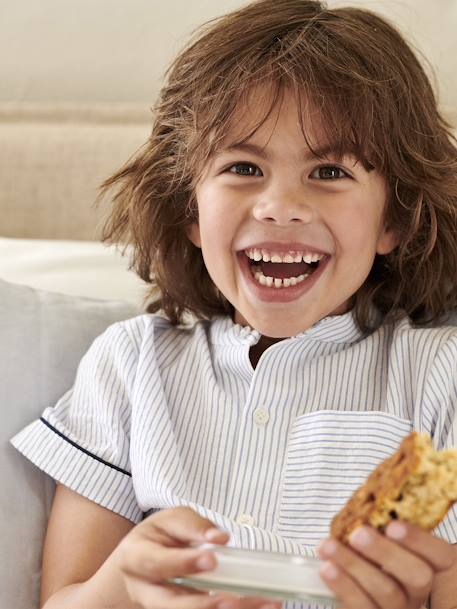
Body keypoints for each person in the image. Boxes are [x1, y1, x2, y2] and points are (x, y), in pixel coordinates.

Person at [11, 1, 457, 608]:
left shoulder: (440, 375)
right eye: (243, 166)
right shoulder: (130, 367)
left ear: (395, 221)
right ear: (190, 210)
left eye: (329, 171)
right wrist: (127, 583)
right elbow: (62, 601)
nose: (280, 205)